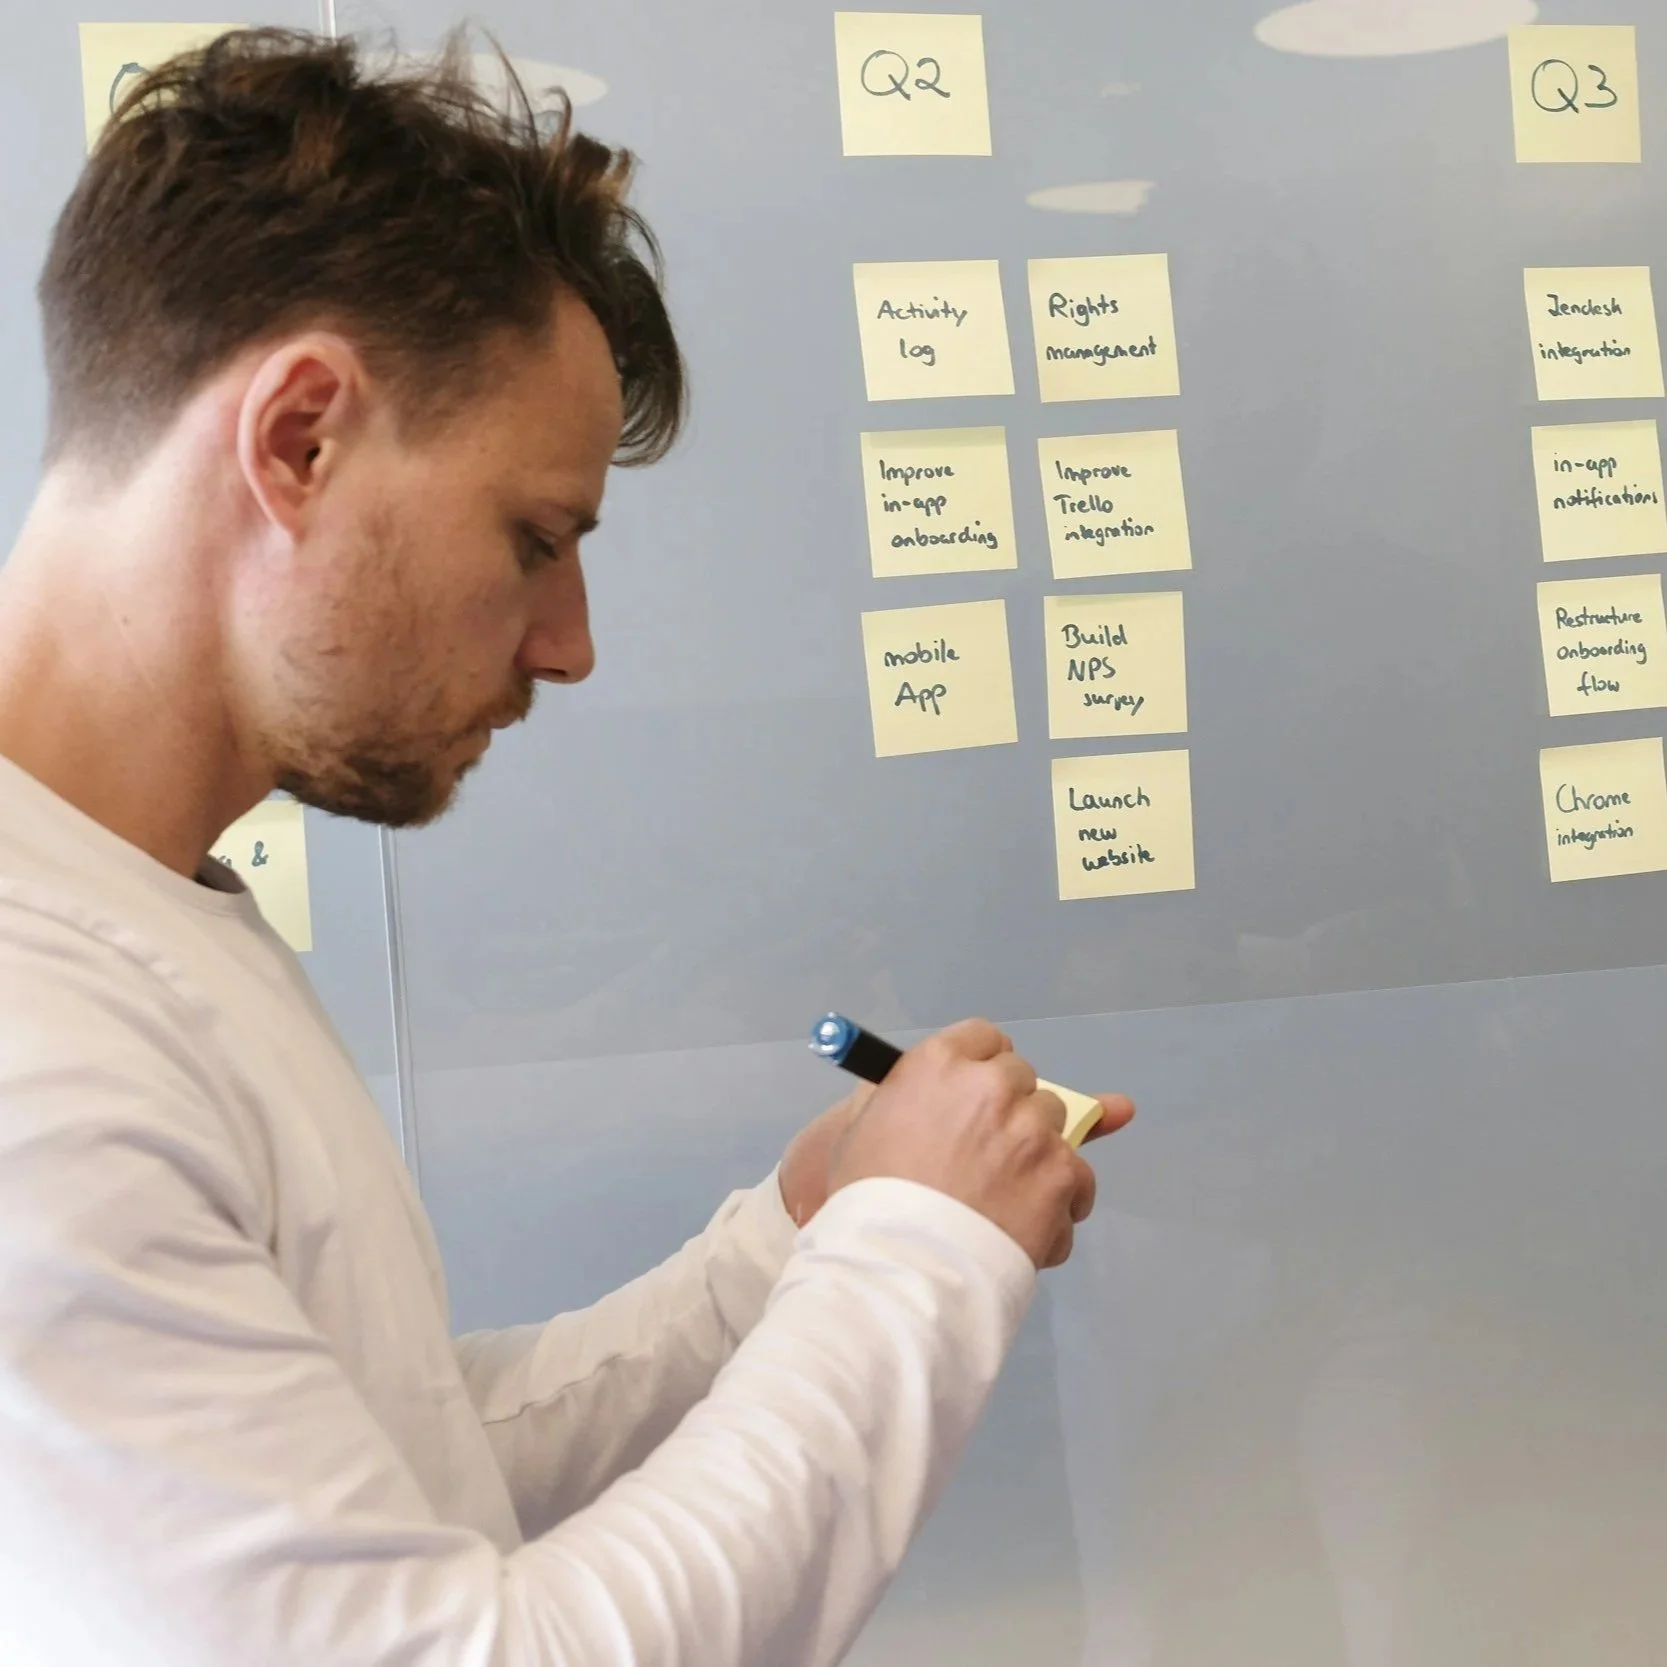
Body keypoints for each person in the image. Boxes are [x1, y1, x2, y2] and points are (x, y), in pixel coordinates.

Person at [0, 28, 1135, 1667]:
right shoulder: (39, 1038)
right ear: (299, 436)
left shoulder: (141, 907)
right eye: (533, 538)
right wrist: (918, 1249)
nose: (569, 644)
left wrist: (793, 1237)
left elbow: (387, 1471)